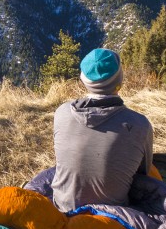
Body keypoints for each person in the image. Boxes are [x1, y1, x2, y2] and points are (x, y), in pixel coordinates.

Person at [26, 47, 154, 212]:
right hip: (113, 213)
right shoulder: (140, 124)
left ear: (84, 80)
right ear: (120, 79)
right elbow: (143, 173)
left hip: (64, 206)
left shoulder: (62, 112)